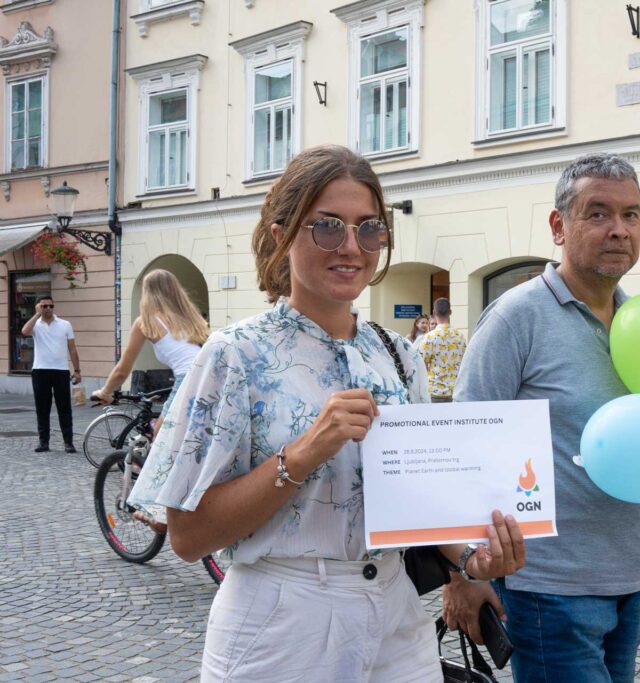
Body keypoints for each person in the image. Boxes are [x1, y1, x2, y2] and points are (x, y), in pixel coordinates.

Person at [127, 145, 525, 682]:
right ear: (281, 236)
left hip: (395, 618)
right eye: (327, 226)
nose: (351, 246)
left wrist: (474, 561)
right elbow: (188, 536)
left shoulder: (398, 355)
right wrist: (304, 451)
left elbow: (423, 507)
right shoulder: (235, 355)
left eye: (368, 228)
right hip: (281, 619)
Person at [447, 152, 640, 682]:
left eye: (631, 215)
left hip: (627, 574)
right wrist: (462, 571)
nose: (618, 230)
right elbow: (466, 445)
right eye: (599, 213)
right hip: (545, 587)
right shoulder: (517, 317)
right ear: (559, 225)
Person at [91, 268, 209, 533]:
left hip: (186, 382)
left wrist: (106, 392)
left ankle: (157, 514)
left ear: (148, 293)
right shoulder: (190, 319)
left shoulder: (146, 321)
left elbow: (123, 369)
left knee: (161, 443)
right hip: (209, 381)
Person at [21, 295, 81, 453]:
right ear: (38, 307)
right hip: (40, 371)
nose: (48, 309)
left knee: (64, 408)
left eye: (50, 306)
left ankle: (68, 442)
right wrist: (36, 315)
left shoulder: (65, 324)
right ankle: (43, 442)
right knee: (42, 408)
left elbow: (72, 349)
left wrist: (77, 370)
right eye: (44, 306)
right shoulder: (36, 325)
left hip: (61, 371)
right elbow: (24, 331)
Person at [418, 297, 467, 403]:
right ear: (450, 312)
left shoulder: (428, 337)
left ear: (434, 312)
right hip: (456, 390)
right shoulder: (460, 337)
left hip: (435, 391)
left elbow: (420, 365)